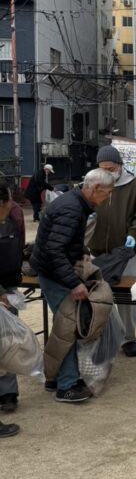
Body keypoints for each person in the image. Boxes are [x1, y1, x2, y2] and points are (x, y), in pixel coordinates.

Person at [30, 168, 114, 403]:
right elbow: (54, 250)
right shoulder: (72, 209)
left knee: (64, 326)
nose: (108, 197)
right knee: (69, 327)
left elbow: (64, 241)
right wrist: (74, 283)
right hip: (55, 275)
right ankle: (66, 385)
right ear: (95, 189)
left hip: (54, 271)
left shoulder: (74, 203)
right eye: (107, 192)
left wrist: (82, 251)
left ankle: (56, 378)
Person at [88, 145, 136, 358]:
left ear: (120, 166)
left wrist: (134, 234)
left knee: (127, 296)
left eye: (111, 168)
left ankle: (129, 337)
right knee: (97, 296)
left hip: (125, 253)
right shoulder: (91, 185)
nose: (107, 172)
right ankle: (101, 336)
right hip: (95, 251)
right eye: (103, 168)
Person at [0, 182, 23, 435]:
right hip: (3, 292)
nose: (12, 205)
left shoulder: (12, 218)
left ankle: (7, 393)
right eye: (8, 201)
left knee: (7, 344)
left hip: (8, 285)